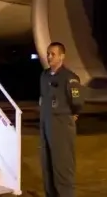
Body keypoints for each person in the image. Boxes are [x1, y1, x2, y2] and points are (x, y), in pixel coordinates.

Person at [39, 42, 84, 197]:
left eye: (53, 54)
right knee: (47, 164)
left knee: (62, 165)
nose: (49, 57)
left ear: (62, 56)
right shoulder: (44, 76)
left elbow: (77, 102)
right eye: (48, 54)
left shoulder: (69, 78)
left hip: (61, 124)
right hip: (46, 123)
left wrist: (73, 114)